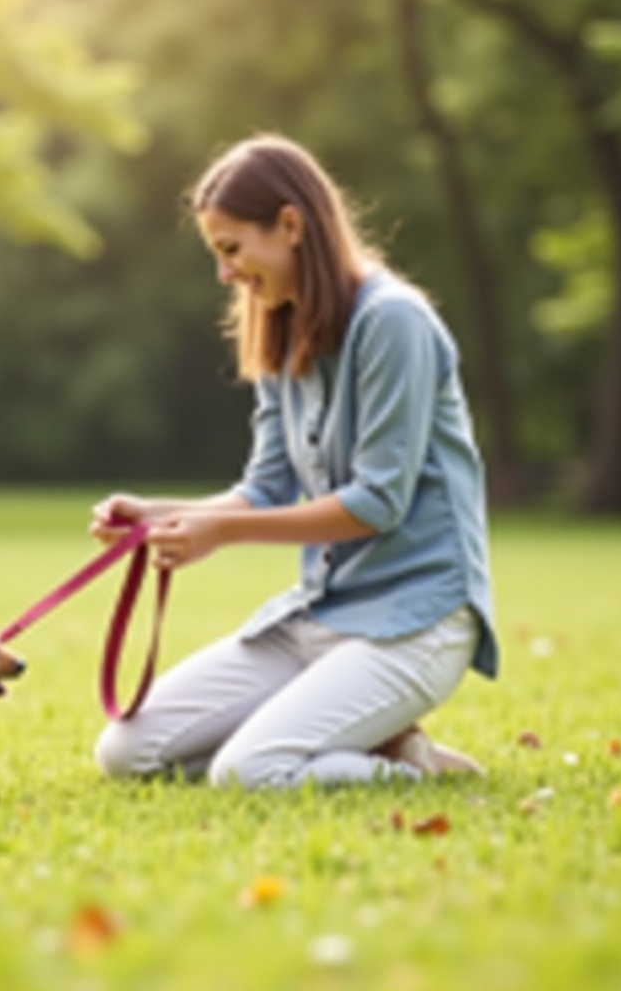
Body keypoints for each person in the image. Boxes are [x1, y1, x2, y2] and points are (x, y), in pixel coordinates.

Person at [90, 134, 499, 790]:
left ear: (289, 225)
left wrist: (218, 533)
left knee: (248, 773)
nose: (224, 273)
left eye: (231, 249)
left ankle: (413, 769)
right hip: (320, 615)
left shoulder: (394, 322)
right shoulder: (283, 325)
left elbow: (378, 504)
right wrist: (162, 516)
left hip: (417, 621)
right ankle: (375, 743)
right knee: (126, 753)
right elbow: (267, 486)